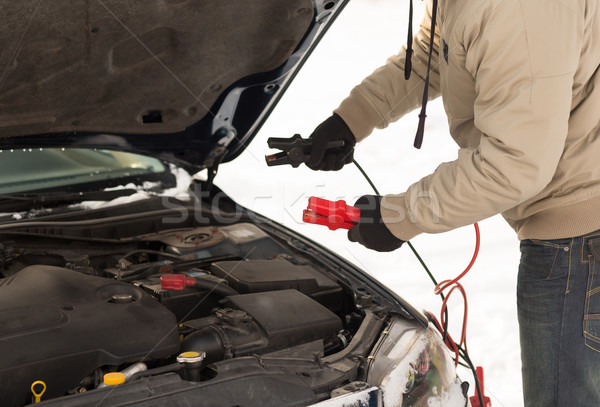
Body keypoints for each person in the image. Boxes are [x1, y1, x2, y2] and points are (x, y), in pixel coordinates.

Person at [305, 0, 600, 405]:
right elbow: (437, 50)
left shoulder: (520, 10)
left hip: (580, 245)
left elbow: (515, 163)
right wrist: (354, 118)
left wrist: (400, 216)